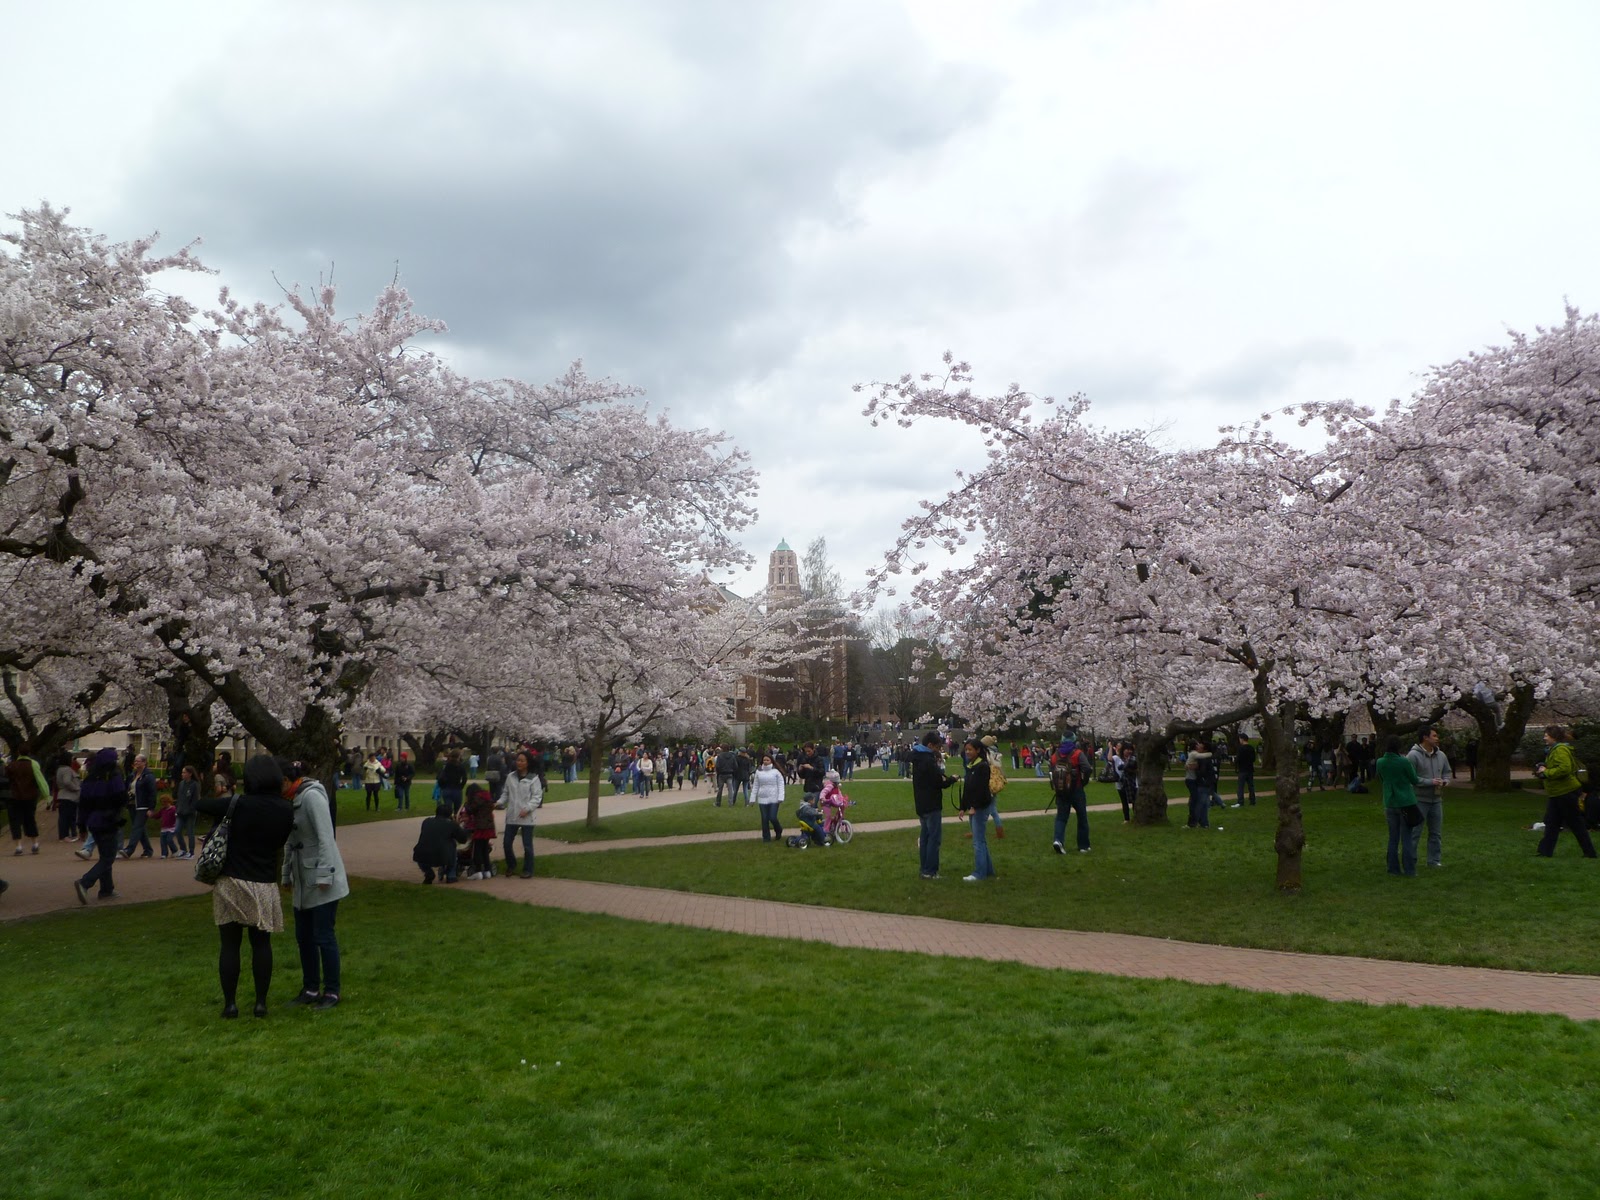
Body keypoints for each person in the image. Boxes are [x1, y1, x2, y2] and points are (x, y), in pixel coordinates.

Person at [194, 755, 294, 1018]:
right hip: (263, 882)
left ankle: (230, 1004)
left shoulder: (238, 805)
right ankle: (261, 1003)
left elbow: (200, 805)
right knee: (261, 945)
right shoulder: (286, 809)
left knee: (230, 945)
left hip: (231, 880)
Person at [280, 762, 349, 1011]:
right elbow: (291, 840)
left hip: (322, 881)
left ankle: (332, 992)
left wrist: (324, 876)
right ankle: (310, 988)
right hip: (303, 880)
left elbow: (325, 837)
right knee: (304, 937)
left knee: (323, 936)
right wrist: (286, 874)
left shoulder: (312, 797)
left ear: (288, 779)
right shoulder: (292, 799)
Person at [1533, 726, 1596, 858]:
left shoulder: (1560, 749)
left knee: (1575, 823)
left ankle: (1589, 852)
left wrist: (1546, 773)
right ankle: (1545, 852)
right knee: (1552, 823)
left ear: (1554, 737)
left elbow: (1564, 769)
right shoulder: (1554, 750)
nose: (1544, 737)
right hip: (1557, 793)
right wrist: (1544, 767)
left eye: (1546, 735)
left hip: (1566, 792)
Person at [73, 749, 127, 903]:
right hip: (108, 819)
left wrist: (81, 826)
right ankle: (85, 882)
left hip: (92, 820)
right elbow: (120, 797)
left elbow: (83, 804)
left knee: (105, 855)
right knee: (108, 858)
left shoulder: (90, 778)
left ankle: (107, 889)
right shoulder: (113, 776)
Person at [910, 730, 957, 879]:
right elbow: (938, 782)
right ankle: (931, 870)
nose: (938, 750)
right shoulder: (928, 760)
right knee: (934, 839)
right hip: (932, 803)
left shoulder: (917, 758)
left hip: (921, 803)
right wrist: (951, 780)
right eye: (937, 747)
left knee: (924, 838)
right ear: (930, 745)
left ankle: (924, 869)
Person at [1376, 736, 1421, 877]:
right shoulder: (1403, 762)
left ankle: (1393, 869)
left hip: (1390, 802)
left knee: (1393, 837)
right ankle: (1409, 870)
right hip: (1405, 802)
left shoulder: (1380, 762)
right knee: (1406, 837)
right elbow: (1414, 779)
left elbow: (1382, 778)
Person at [1407, 726, 1451, 868]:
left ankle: (1434, 861)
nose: (1437, 738)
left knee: (1436, 833)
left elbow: (1447, 772)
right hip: (1419, 800)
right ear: (1425, 738)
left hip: (1436, 800)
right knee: (1415, 832)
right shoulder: (1413, 756)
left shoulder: (1441, 755)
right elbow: (1410, 778)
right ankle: (1410, 861)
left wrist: (1445, 781)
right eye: (1434, 736)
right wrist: (1429, 782)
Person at [957, 738, 997, 882]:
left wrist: (973, 806)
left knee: (978, 841)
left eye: (970, 749)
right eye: (966, 749)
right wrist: (963, 807)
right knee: (981, 840)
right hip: (974, 806)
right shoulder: (971, 766)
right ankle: (988, 870)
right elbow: (968, 788)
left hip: (980, 807)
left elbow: (980, 789)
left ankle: (979, 873)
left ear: (978, 750)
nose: (967, 752)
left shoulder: (982, 766)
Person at [500, 749, 542, 878]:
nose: (519, 763)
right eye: (518, 760)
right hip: (512, 816)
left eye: (522, 761)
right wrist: (498, 802)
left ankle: (528, 869)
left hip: (526, 817)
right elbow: (505, 794)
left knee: (527, 846)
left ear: (528, 763)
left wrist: (527, 809)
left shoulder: (533, 778)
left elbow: (537, 797)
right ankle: (511, 865)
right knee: (507, 843)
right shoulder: (511, 776)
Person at [1050, 737, 1092, 853]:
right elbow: (1087, 768)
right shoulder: (1077, 754)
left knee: (1061, 817)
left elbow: (1052, 771)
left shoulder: (1055, 755)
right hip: (1076, 790)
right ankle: (1083, 846)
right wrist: (1084, 781)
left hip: (1061, 791)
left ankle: (1058, 840)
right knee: (1082, 817)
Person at [413, 802, 468, 883]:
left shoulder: (426, 821)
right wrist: (458, 826)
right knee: (452, 845)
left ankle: (428, 872)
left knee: (424, 850)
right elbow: (463, 840)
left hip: (421, 855)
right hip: (442, 855)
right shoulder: (451, 824)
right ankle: (451, 875)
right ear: (450, 814)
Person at [6, 751, 47, 856]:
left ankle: (18, 846)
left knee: (15, 821)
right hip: (30, 796)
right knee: (30, 819)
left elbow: (7, 780)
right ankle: (35, 844)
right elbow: (40, 780)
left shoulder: (12, 765)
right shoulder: (33, 764)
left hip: (15, 797)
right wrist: (46, 795)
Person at [120, 754, 155, 858]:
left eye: (138, 761)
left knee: (136, 827)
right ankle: (148, 850)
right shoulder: (132, 775)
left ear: (144, 762)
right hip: (132, 805)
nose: (136, 763)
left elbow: (152, 792)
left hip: (142, 806)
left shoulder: (148, 776)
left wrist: (151, 808)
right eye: (135, 761)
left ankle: (129, 850)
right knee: (140, 828)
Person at [460, 782, 497, 879]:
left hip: (480, 827)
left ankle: (478, 871)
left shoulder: (477, 798)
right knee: (485, 849)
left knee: (477, 849)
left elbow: (470, 810)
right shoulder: (487, 796)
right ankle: (487, 870)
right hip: (489, 826)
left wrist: (466, 804)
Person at [752, 753, 785, 842]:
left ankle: (778, 830)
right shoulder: (759, 771)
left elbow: (781, 784)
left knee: (772, 817)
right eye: (764, 760)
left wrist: (781, 797)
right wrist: (752, 798)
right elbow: (755, 785)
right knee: (764, 818)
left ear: (771, 761)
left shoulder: (776, 772)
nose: (765, 762)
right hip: (762, 798)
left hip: (774, 797)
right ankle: (766, 838)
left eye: (767, 760)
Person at [174, 764, 200, 858]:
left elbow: (195, 799)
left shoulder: (194, 785)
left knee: (190, 832)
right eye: (182, 772)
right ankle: (183, 849)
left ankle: (191, 852)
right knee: (177, 830)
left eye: (184, 772)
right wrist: (177, 809)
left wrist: (191, 809)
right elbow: (179, 797)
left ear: (190, 774)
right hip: (180, 811)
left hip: (190, 813)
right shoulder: (181, 784)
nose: (182, 774)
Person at [436, 749, 467, 815]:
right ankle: (456, 821)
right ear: (459, 756)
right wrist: (461, 786)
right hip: (457, 789)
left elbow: (441, 777)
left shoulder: (447, 765)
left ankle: (448, 820)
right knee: (457, 809)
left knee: (447, 808)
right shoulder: (460, 766)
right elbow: (464, 778)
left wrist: (442, 786)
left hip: (447, 788)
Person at [1232, 735, 1257, 807]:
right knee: (1251, 786)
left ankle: (1240, 801)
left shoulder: (1241, 748)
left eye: (1240, 739)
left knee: (1241, 787)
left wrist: (1235, 762)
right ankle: (1252, 801)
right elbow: (1253, 759)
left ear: (1242, 739)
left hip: (1242, 769)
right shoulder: (1251, 748)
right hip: (1250, 769)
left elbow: (1238, 758)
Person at [157, 793, 181, 858]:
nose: (164, 804)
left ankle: (175, 851)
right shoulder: (162, 810)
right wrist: (151, 815)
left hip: (171, 828)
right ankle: (164, 853)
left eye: (165, 802)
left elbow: (177, 817)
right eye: (162, 803)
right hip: (164, 828)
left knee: (169, 840)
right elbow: (158, 815)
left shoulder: (173, 809)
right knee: (163, 842)